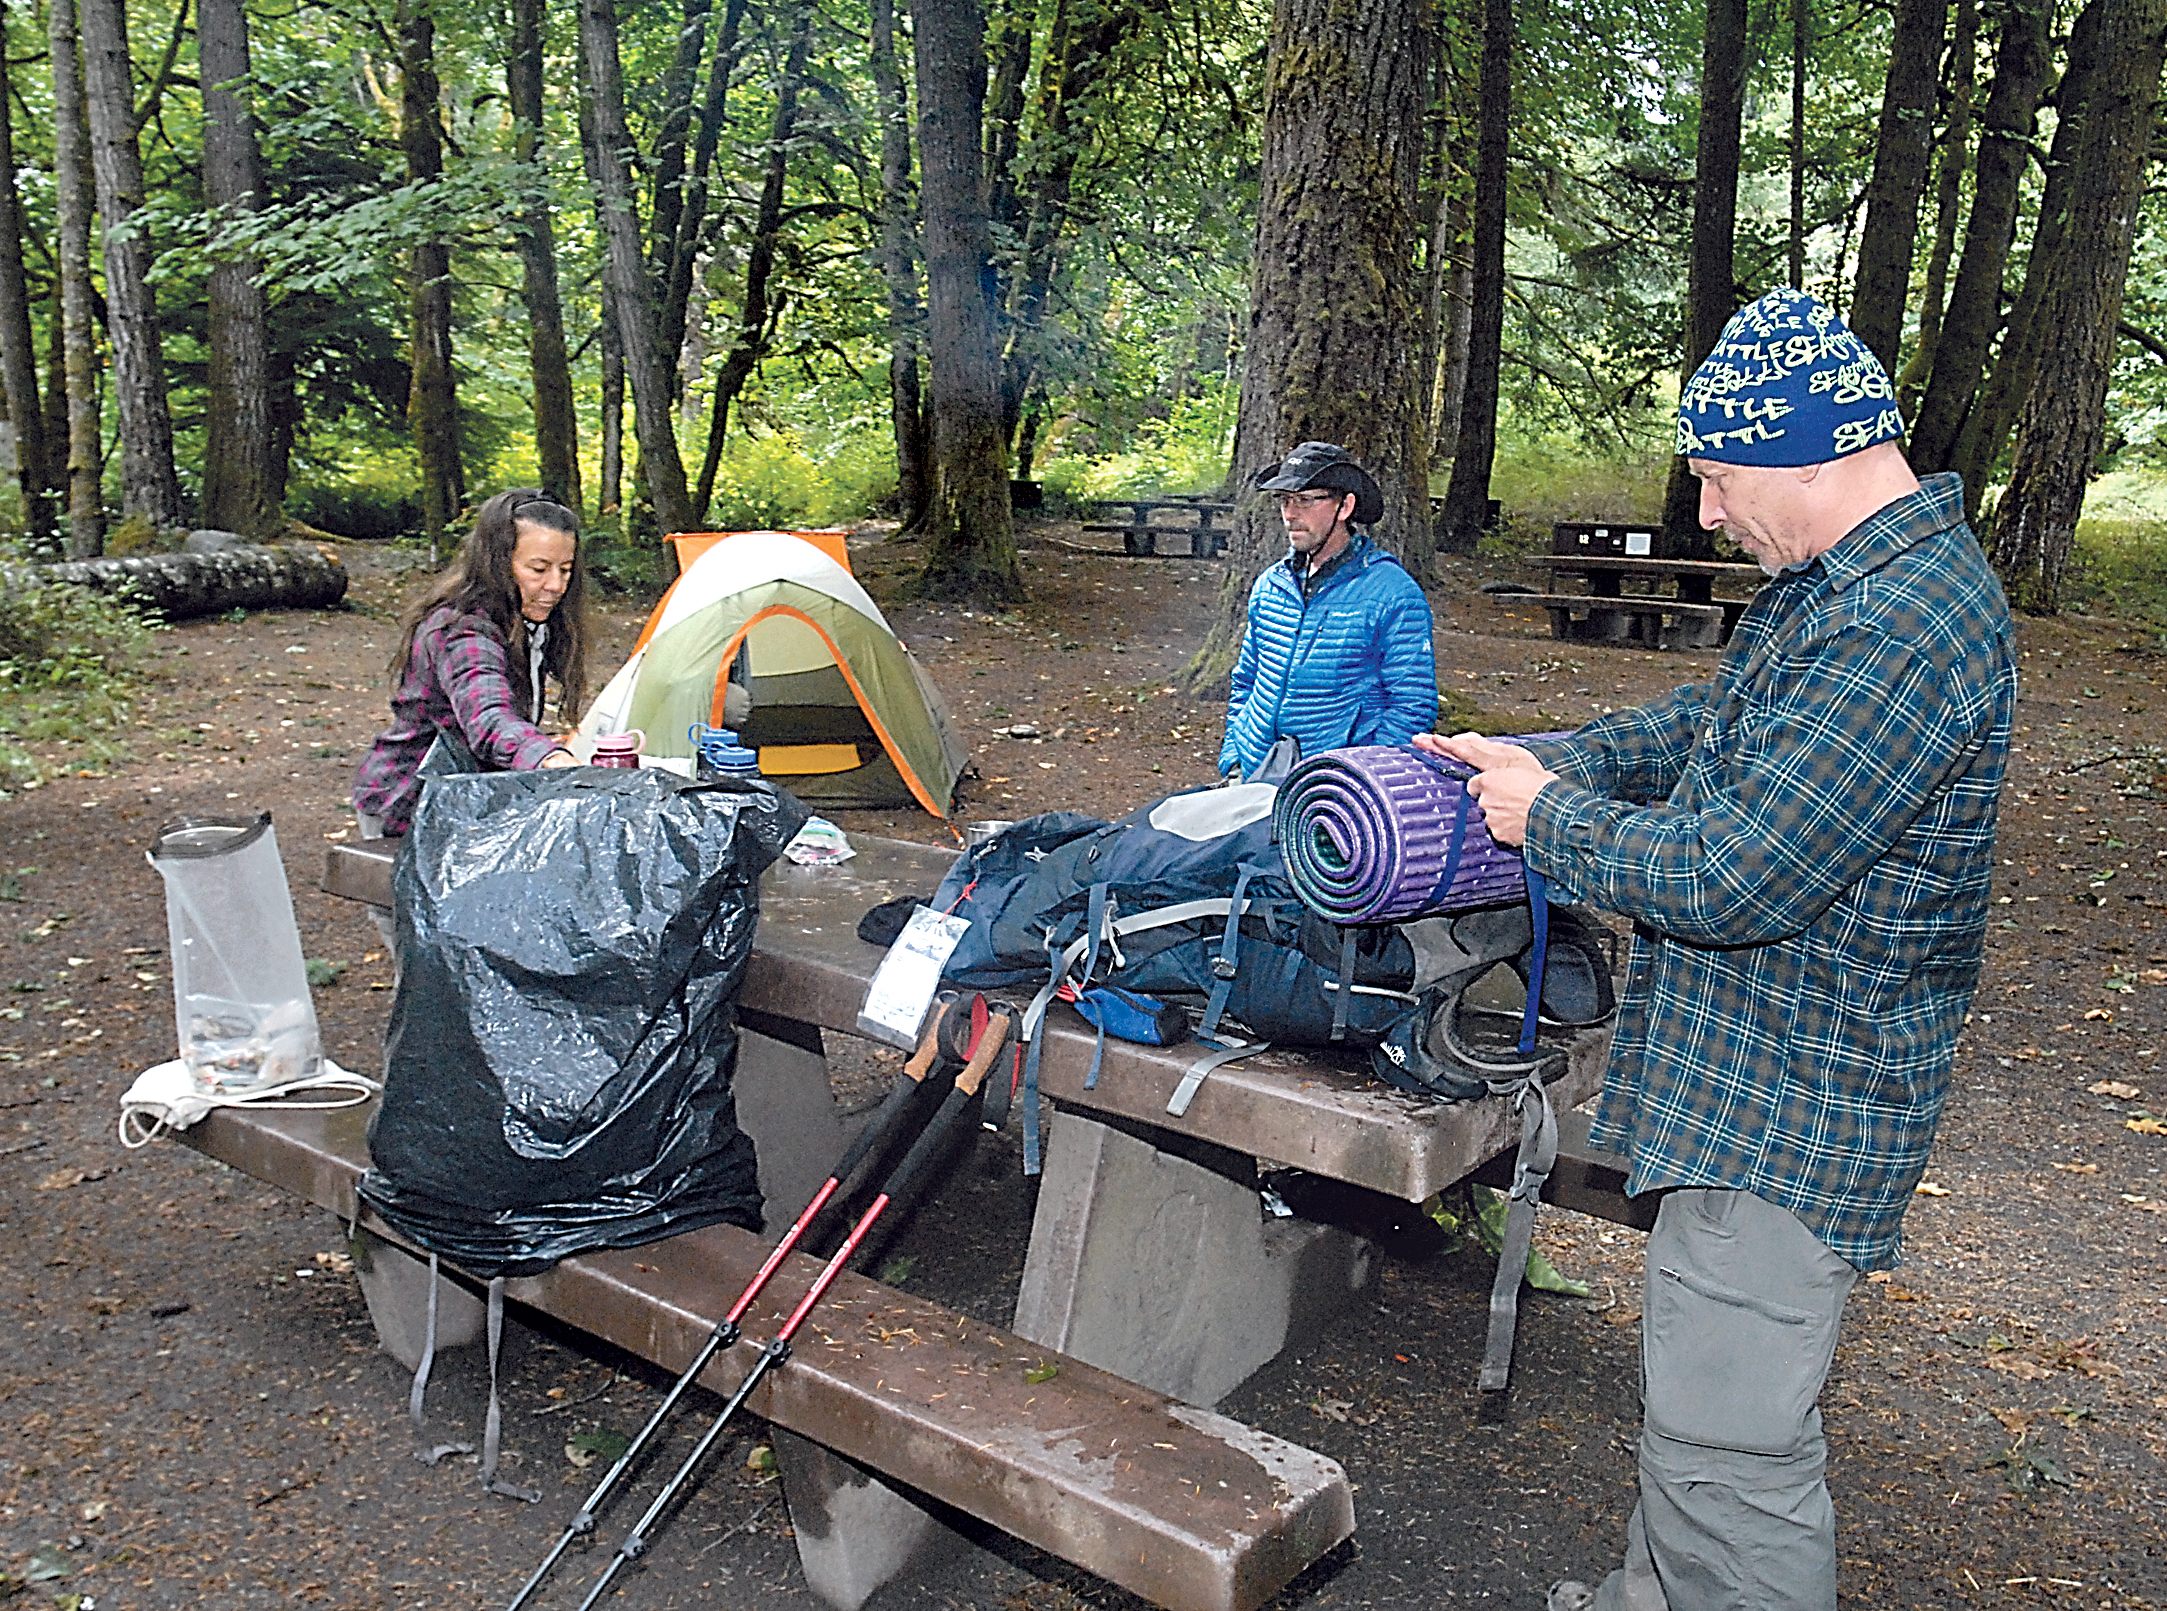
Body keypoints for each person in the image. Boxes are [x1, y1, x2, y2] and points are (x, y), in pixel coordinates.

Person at [1419, 287, 2017, 1611]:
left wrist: (1547, 820)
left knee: (1730, 1460)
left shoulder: (1902, 626)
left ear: (1809, 455)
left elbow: (1734, 875)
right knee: (1692, 1415)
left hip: (1795, 1111)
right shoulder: (1835, 588)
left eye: (1717, 476)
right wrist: (1553, 758)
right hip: (1748, 1088)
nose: (1702, 511)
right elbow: (1711, 728)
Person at [351, 488, 589, 844]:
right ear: (498, 562)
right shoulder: (461, 629)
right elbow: (489, 716)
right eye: (538, 569)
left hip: (460, 796)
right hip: (407, 802)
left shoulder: (524, 621)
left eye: (565, 570)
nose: (555, 585)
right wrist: (549, 757)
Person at [1218, 441, 1436, 781]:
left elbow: (1412, 706)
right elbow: (1246, 680)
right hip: (1252, 772)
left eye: (1305, 500)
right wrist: (1234, 757)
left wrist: (1359, 782)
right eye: (1285, 500)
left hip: (1334, 788)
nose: (1290, 514)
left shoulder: (1393, 593)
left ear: (1345, 506)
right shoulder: (1270, 585)